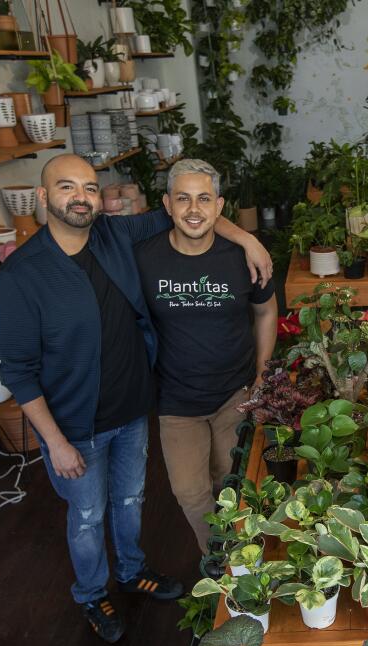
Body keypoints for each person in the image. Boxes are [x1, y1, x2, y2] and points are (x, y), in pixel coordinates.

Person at [0, 154, 272, 642]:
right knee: (85, 516)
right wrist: (53, 441)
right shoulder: (20, 275)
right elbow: (16, 370)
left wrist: (247, 238)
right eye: (66, 187)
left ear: (99, 199)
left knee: (129, 501)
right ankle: (91, 593)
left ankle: (131, 571)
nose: (80, 197)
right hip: (73, 422)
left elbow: (189, 208)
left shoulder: (113, 237)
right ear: (43, 197)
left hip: (132, 409)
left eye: (89, 188)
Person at [133, 160, 278, 554]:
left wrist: (263, 375)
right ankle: (221, 565)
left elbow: (266, 313)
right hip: (176, 400)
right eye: (183, 199)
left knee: (228, 482)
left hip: (235, 392)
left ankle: (243, 566)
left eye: (203, 199)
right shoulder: (144, 259)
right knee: (190, 493)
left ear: (219, 205)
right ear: (166, 204)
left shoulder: (242, 256)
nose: (193, 209)